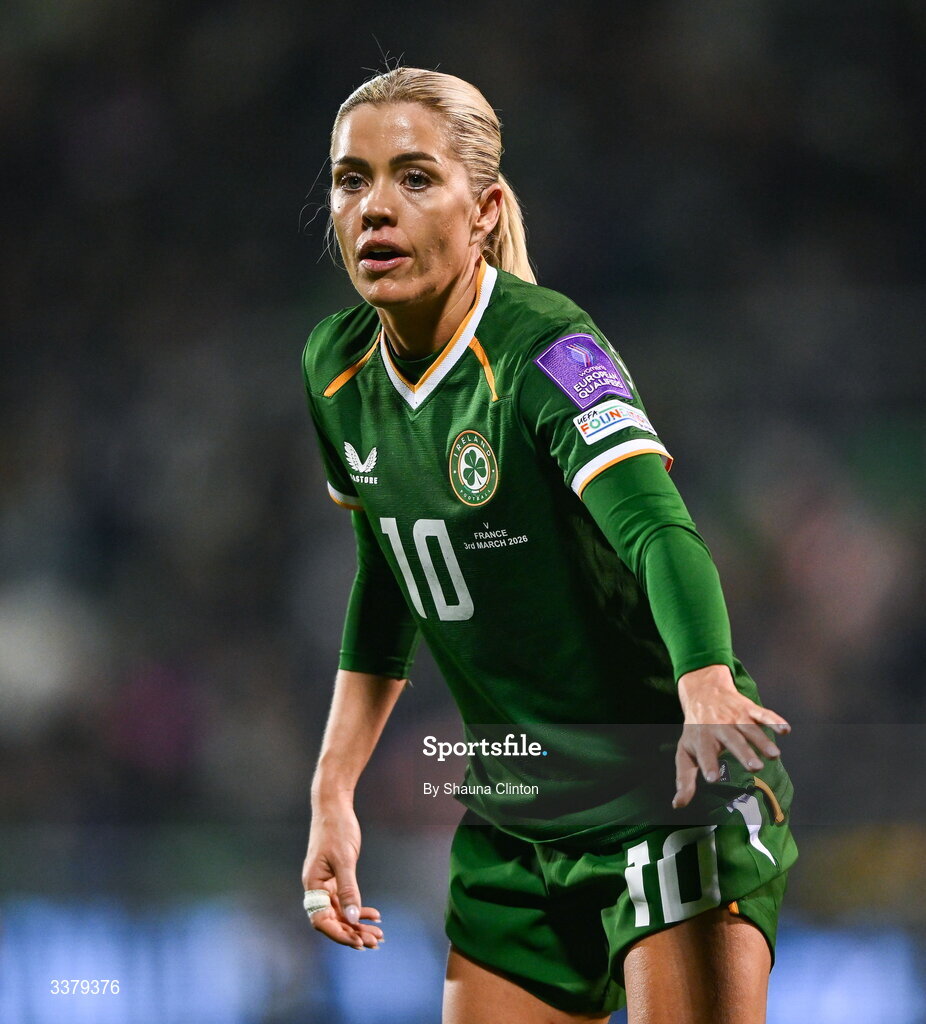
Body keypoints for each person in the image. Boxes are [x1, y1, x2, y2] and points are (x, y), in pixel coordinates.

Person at [300, 67, 797, 1024]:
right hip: (516, 822)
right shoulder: (336, 365)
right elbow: (389, 574)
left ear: (485, 210)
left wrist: (704, 677)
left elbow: (657, 527)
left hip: (665, 795)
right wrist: (333, 789)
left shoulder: (547, 348)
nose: (374, 207)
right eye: (351, 180)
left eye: (414, 177)